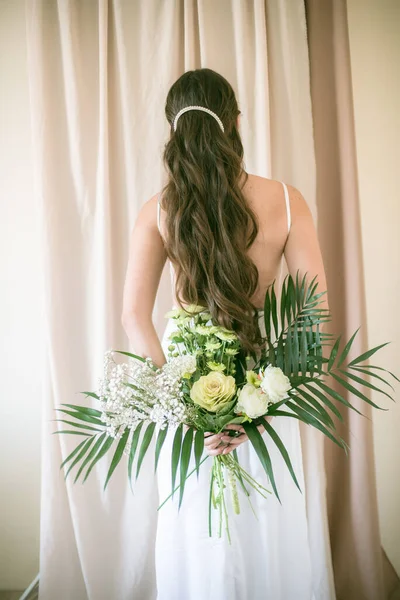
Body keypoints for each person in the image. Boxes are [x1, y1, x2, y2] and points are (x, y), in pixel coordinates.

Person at [121, 68, 335, 600]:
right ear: (236, 122)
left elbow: (133, 318)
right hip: (269, 374)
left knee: (197, 525)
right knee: (271, 512)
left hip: (187, 374)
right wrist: (265, 396)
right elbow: (314, 310)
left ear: (173, 131)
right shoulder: (287, 200)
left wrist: (180, 399)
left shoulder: (159, 209)